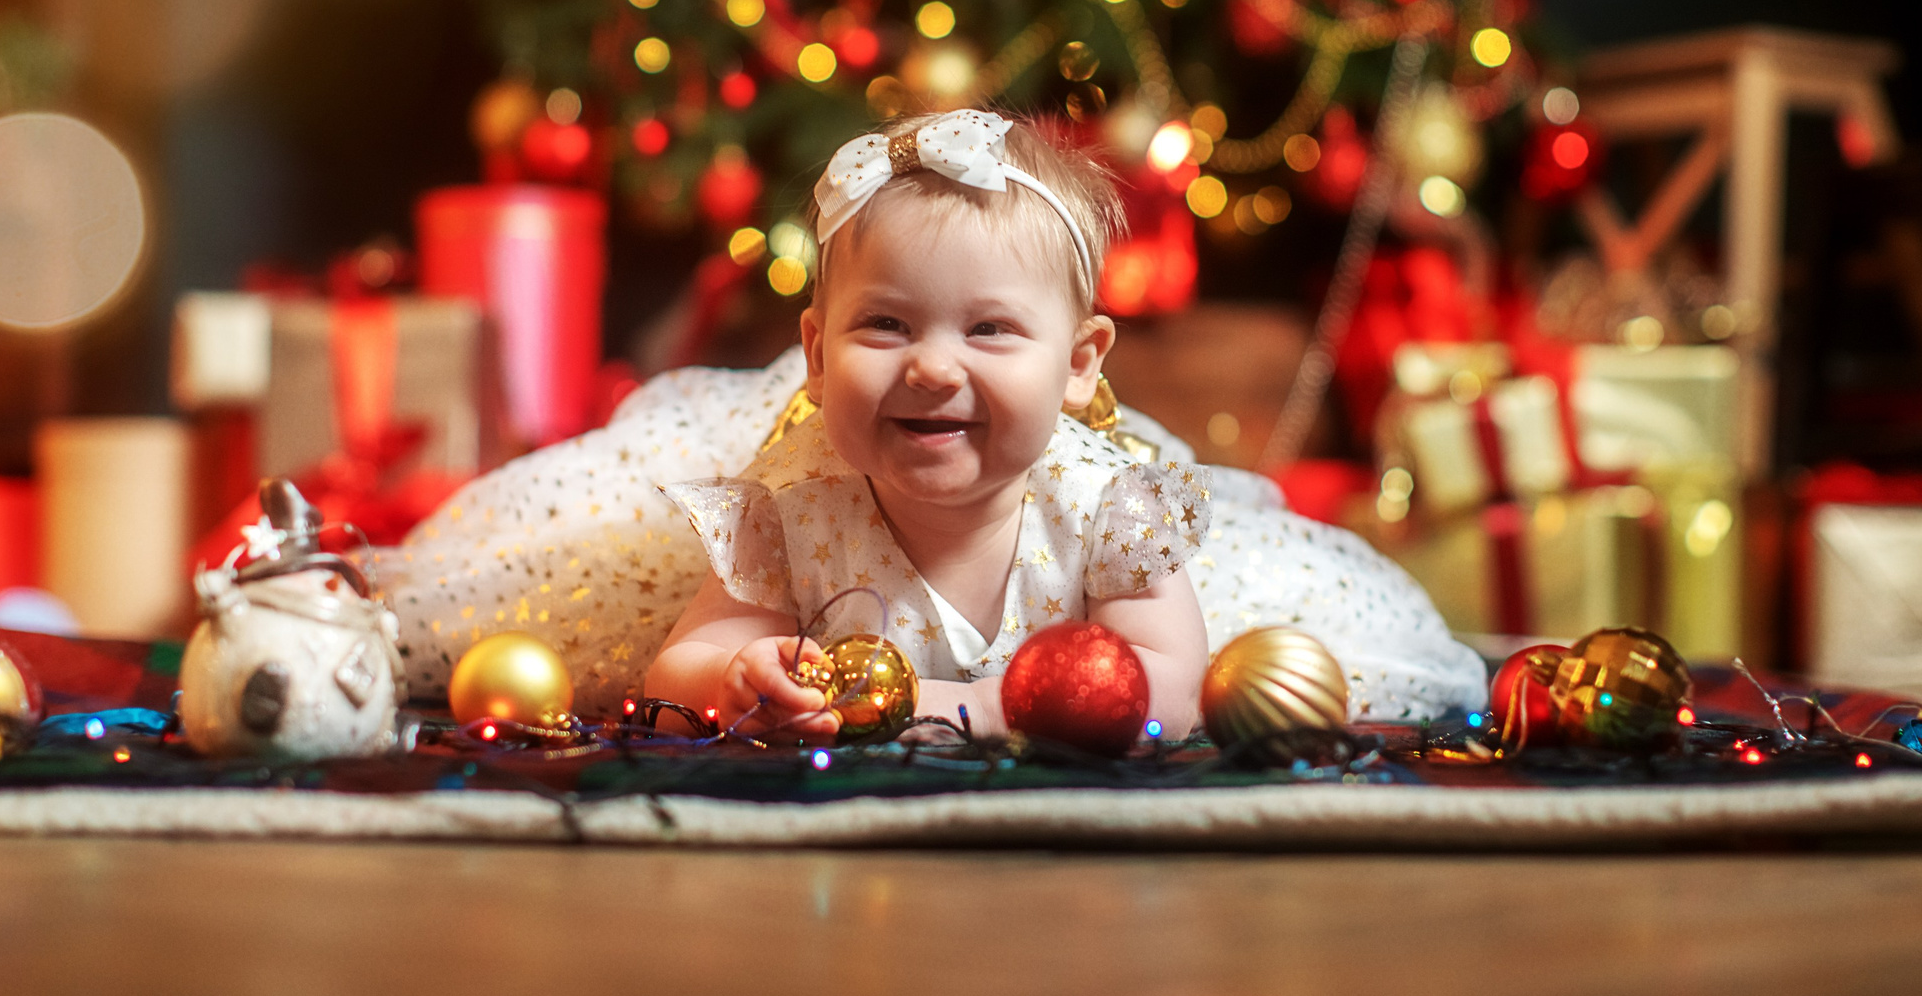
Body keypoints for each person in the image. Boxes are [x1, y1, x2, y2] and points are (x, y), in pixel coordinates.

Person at [371, 112, 1485, 732]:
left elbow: (1175, 685)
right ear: (813, 353)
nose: (934, 367)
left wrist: (978, 709)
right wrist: (739, 677)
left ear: (1079, 362)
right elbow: (686, 659)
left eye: (992, 332)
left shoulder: (1106, 507)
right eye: (887, 327)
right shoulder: (795, 505)